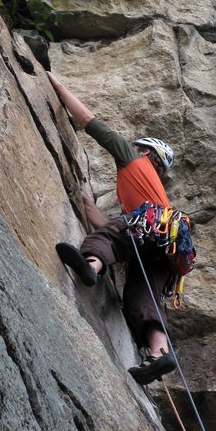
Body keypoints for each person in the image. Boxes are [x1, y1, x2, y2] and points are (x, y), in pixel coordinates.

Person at [47, 71, 178, 386]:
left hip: (149, 230)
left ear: (146, 152)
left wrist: (57, 85)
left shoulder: (135, 160)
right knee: (141, 296)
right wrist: (89, 207)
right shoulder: (154, 194)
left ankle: (91, 267)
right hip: (170, 249)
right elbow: (113, 230)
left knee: (110, 239)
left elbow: (89, 121)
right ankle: (160, 353)